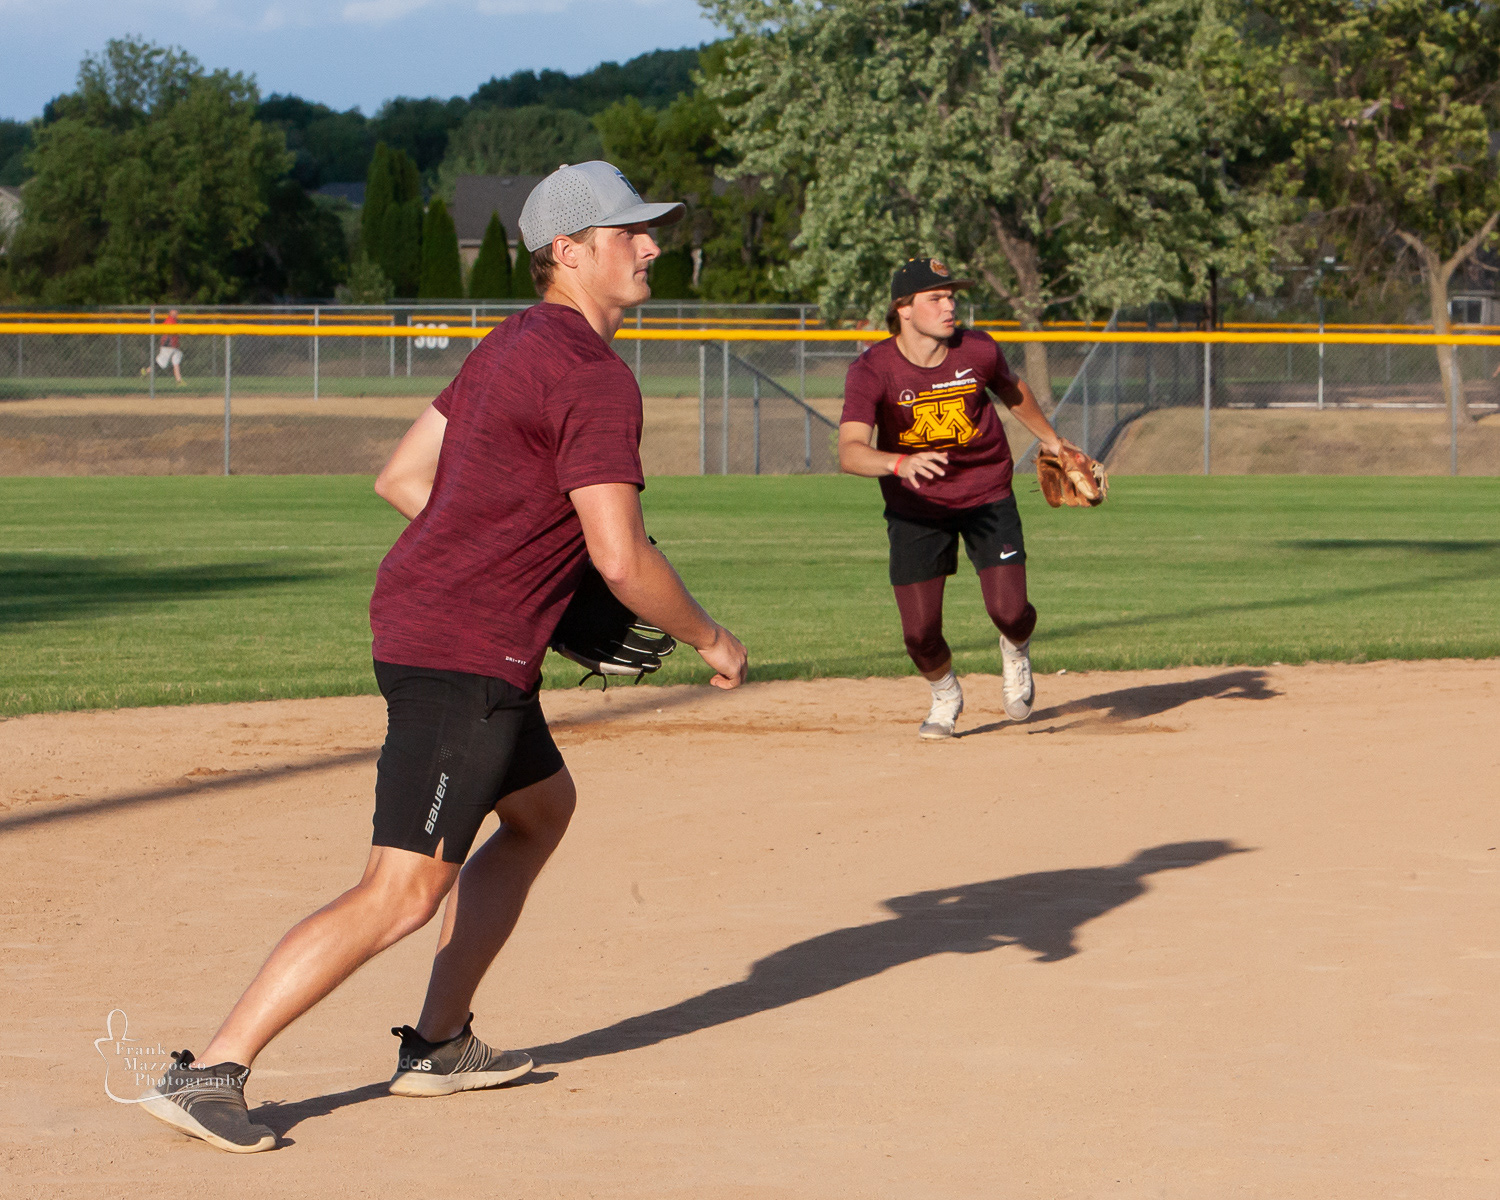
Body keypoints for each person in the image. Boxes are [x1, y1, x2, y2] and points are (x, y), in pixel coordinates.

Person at [140, 161, 748, 1154]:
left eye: (651, 230)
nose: (650, 247)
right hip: (468, 650)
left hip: (445, 624)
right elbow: (622, 556)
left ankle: (437, 1044)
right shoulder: (593, 377)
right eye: (628, 233)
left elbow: (402, 477)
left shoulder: (509, 345)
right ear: (567, 251)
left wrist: (496, 561)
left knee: (543, 810)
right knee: (403, 890)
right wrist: (711, 640)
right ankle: (213, 1070)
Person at [838, 257, 1076, 740]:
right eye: (936, 298)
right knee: (919, 634)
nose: (950, 307)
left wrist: (1054, 442)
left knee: (1010, 611)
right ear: (903, 309)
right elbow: (849, 451)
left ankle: (1016, 650)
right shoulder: (873, 369)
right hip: (917, 507)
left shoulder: (978, 350)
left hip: (987, 492)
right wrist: (898, 463)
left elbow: (1013, 391)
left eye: (952, 296)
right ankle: (946, 695)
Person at [157, 309, 183, 384]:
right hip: (168, 346)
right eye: (173, 313)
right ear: (170, 313)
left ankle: (179, 380)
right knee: (162, 364)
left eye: (176, 313)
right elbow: (169, 334)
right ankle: (146, 371)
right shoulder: (169, 321)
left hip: (174, 346)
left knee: (176, 361)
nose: (175, 314)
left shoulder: (174, 321)